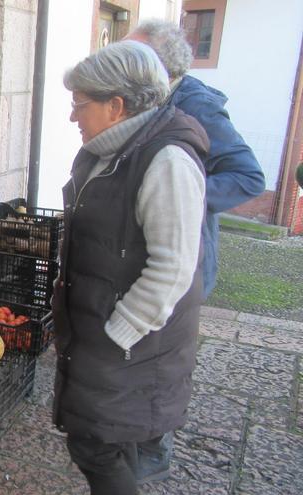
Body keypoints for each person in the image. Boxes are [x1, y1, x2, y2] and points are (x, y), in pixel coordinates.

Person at [51, 40, 208, 494]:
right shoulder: (111, 150)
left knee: (94, 445)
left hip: (131, 344)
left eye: (80, 105)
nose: (72, 116)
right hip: (105, 336)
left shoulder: (167, 160)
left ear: (116, 105)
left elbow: (174, 266)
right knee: (106, 441)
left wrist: (117, 333)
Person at [127, 20, 266, 301]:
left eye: (130, 54)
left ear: (157, 65)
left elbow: (248, 178)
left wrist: (173, 195)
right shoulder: (143, 100)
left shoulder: (196, 106)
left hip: (181, 263)